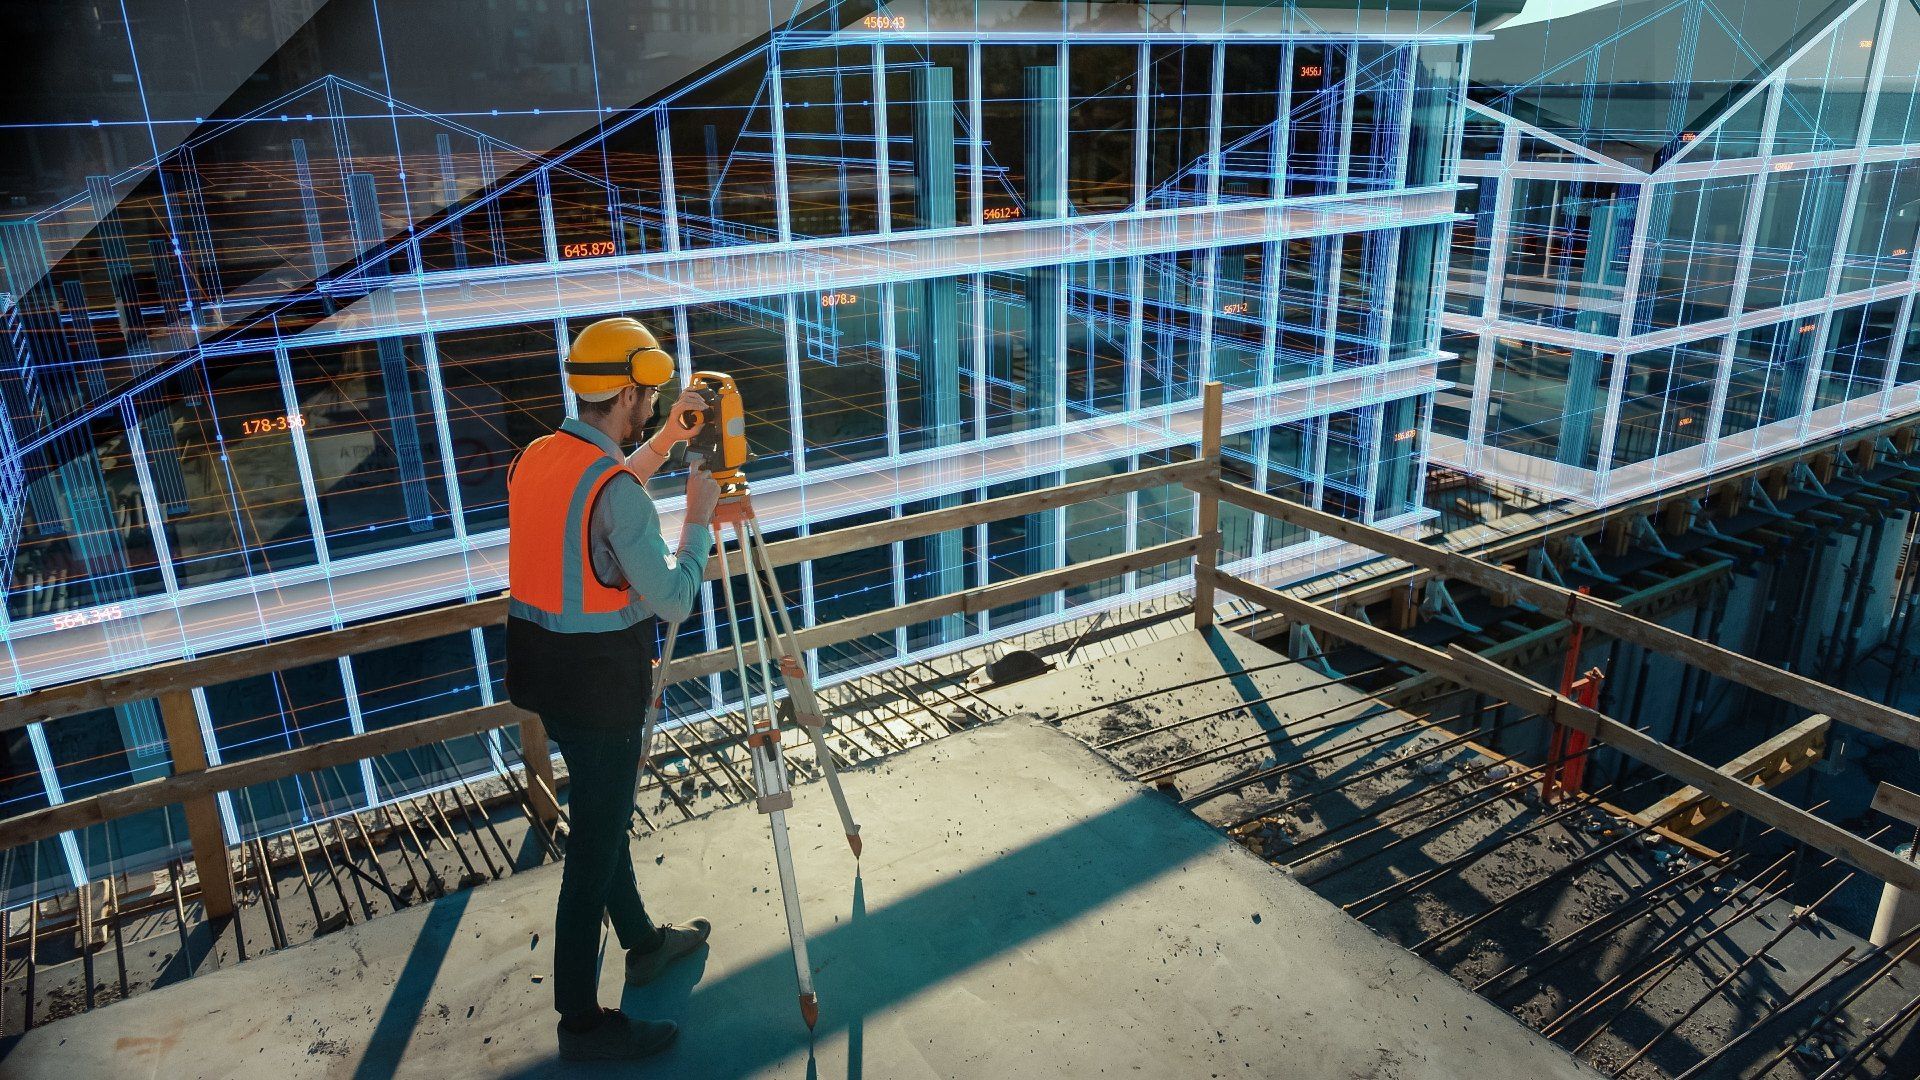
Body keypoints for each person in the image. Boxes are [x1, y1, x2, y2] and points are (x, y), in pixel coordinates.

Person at [504, 316, 722, 1062]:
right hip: (599, 686)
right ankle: (581, 1024)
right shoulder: (619, 494)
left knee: (603, 811)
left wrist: (664, 446)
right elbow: (672, 598)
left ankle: (645, 944)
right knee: (596, 845)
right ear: (627, 393)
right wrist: (697, 520)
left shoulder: (539, 456)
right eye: (652, 399)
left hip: (544, 675)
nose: (656, 408)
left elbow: (600, 496)